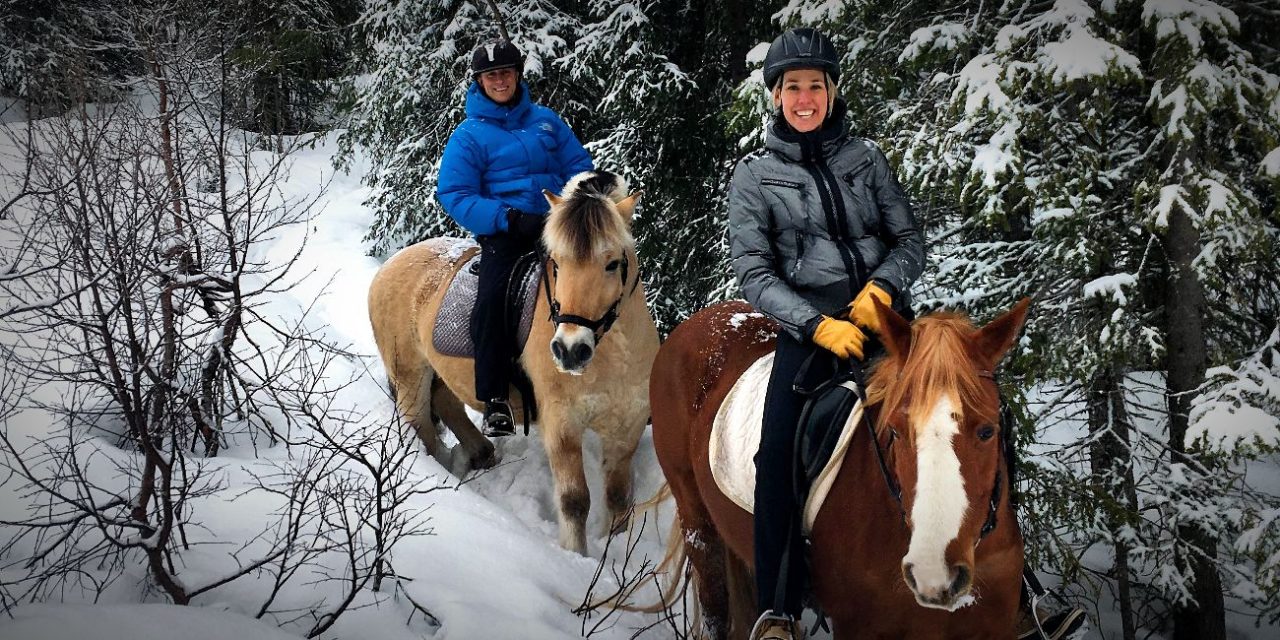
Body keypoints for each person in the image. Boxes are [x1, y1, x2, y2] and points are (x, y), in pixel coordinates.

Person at [727, 27, 1084, 640]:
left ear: (832, 92)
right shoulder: (755, 176)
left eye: (816, 85)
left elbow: (909, 240)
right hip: (808, 329)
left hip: (890, 327)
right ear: (777, 96)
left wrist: (882, 289)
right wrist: (815, 323)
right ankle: (779, 608)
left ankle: (1024, 590)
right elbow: (753, 271)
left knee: (981, 421)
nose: (804, 97)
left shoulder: (866, 159)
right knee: (777, 450)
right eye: (792, 88)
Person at [437, 38, 593, 436]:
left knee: (603, 277)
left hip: (556, 225)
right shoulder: (469, 136)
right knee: (492, 299)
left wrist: (579, 198)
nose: (500, 81)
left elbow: (578, 164)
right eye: (491, 75)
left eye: (506, 72)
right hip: (506, 233)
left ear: (518, 75)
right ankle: (495, 399)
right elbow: (455, 194)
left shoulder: (546, 120)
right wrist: (506, 217)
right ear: (480, 82)